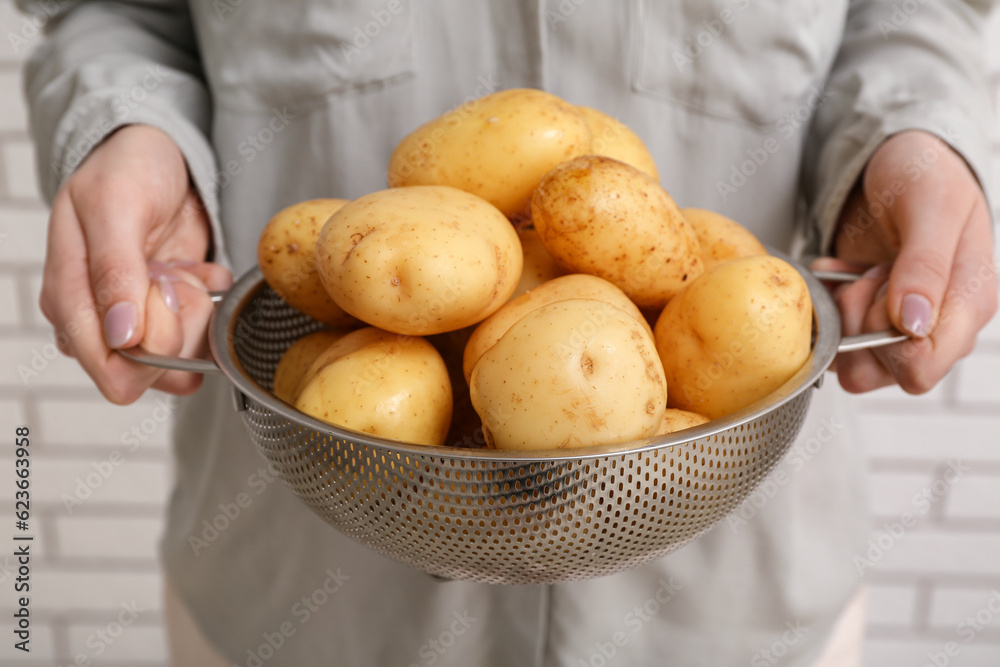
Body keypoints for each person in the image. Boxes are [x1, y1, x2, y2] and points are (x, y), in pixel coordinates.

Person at [19, 1, 997, 665]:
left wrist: (911, 132)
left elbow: (916, 11)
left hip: (727, 606)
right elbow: (112, 12)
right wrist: (126, 128)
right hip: (305, 595)